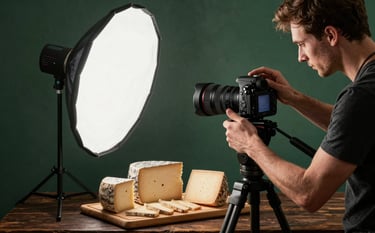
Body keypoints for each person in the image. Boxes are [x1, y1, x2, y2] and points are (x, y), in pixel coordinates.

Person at [223, 0, 375, 232]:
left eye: (302, 44)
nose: (300, 57)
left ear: (331, 35)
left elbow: (308, 193)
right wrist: (294, 98)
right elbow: (357, 127)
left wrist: (251, 145)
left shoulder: (360, 97)